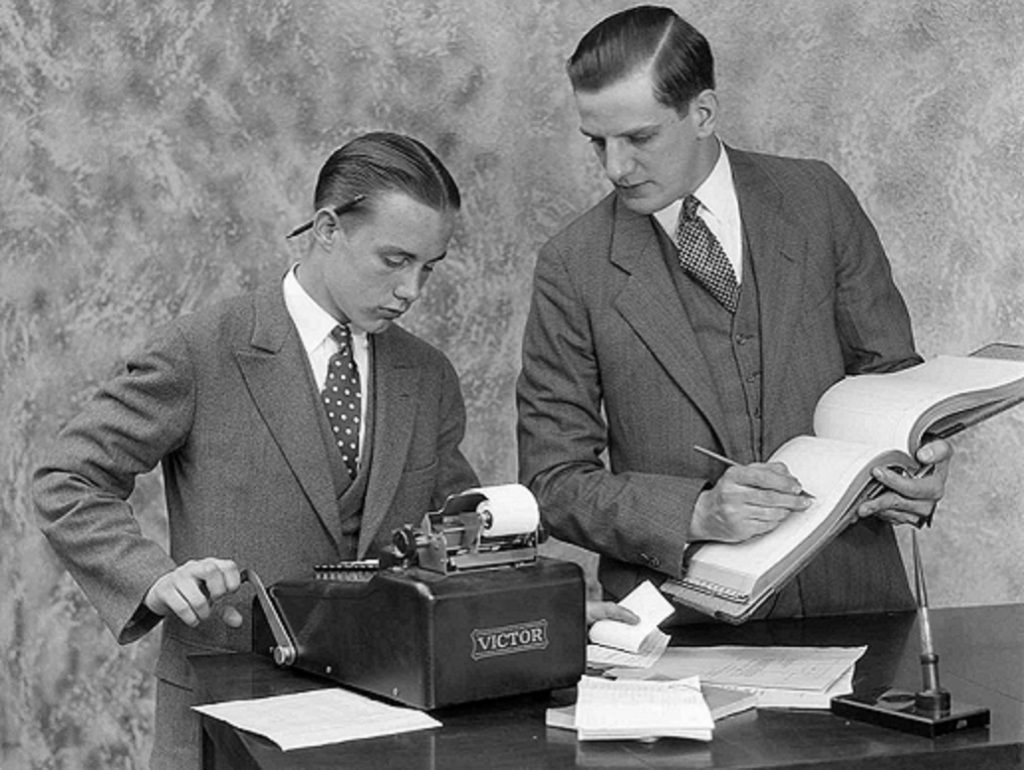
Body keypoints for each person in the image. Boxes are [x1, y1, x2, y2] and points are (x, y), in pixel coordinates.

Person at [33, 131, 481, 769]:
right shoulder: (203, 348)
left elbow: (456, 525)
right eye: (395, 260)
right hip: (226, 717)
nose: (412, 289)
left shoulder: (427, 374)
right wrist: (154, 577)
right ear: (327, 229)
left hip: (387, 720)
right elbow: (67, 479)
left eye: (428, 268)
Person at [516, 5, 951, 622]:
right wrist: (696, 513)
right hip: (676, 631)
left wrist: (921, 466)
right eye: (598, 142)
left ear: (704, 113)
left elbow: (892, 381)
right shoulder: (572, 264)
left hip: (858, 605)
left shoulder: (818, 199)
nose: (615, 168)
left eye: (639, 138)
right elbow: (551, 480)